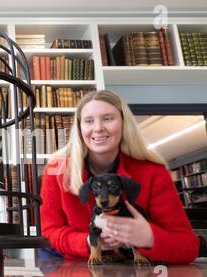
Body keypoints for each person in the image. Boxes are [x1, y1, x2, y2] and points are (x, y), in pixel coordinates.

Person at [40, 90, 200, 264]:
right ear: (79, 128)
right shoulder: (56, 169)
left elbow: (188, 246)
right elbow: (48, 233)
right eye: (88, 121)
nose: (98, 127)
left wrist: (149, 237)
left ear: (124, 123)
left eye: (108, 118)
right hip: (72, 273)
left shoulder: (154, 171)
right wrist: (88, 241)